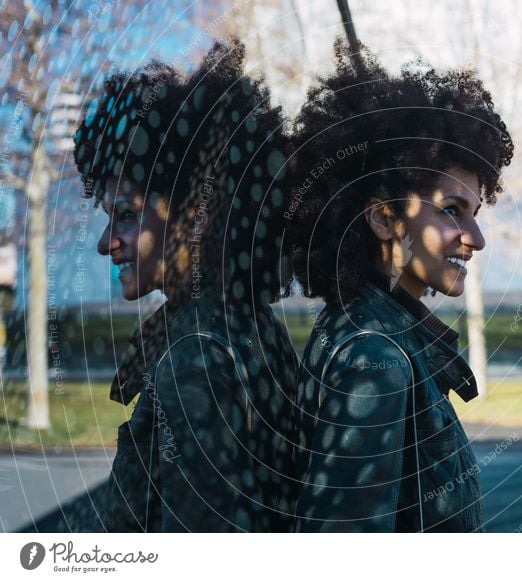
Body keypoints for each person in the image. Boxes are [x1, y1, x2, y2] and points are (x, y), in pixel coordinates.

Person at [72, 39, 298, 532]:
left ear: (194, 216)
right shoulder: (245, 323)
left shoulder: (196, 359)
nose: (106, 243)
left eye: (127, 216)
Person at [288, 40, 514, 532]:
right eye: (452, 211)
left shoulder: (378, 331)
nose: (475, 238)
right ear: (384, 217)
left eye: (474, 214)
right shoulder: (375, 354)